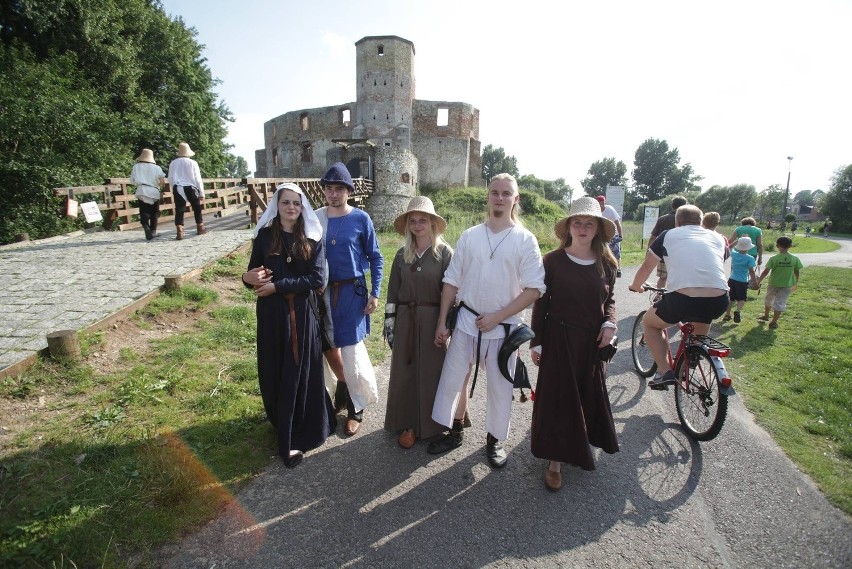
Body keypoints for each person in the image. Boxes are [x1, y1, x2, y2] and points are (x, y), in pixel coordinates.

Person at [428, 173, 545, 469]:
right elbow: (451, 281)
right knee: (453, 379)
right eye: (495, 192)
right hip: (466, 322)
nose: (500, 198)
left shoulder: (525, 240)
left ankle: (495, 440)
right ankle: (453, 430)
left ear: (515, 199)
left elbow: (534, 289)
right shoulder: (470, 236)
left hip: (503, 329)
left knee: (499, 387)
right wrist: (443, 322)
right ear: (488, 196)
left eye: (507, 193)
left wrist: (497, 317)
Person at [242, 183, 336, 467]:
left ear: (302, 206)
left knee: (299, 371)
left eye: (296, 203)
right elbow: (250, 274)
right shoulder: (264, 237)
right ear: (277, 205)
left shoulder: (311, 236)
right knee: (275, 370)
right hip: (271, 316)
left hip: (300, 315)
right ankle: (282, 423)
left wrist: (277, 286)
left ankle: (296, 436)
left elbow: (317, 279)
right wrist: (249, 279)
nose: (291, 208)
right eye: (286, 203)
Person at [529, 196, 619, 492]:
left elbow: (610, 300)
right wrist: (537, 341)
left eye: (588, 223)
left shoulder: (606, 263)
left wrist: (610, 322)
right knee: (559, 400)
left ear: (598, 229)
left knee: (585, 395)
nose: (582, 228)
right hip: (558, 339)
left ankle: (580, 442)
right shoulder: (552, 261)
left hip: (591, 342)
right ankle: (555, 463)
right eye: (577, 223)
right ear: (569, 227)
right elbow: (541, 304)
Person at [315, 162, 383, 437]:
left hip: (351, 293)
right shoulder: (315, 217)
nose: (333, 194)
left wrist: (376, 292)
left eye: (339, 189)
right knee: (326, 348)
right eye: (329, 188)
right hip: (320, 293)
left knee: (352, 351)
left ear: (348, 191)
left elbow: (376, 256)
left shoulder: (360, 219)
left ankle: (357, 406)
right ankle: (331, 398)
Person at [629, 205, 729, 389]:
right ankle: (690, 361)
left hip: (683, 298)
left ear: (677, 221)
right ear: (700, 221)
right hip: (719, 298)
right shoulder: (719, 238)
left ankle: (664, 372)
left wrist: (636, 286)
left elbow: (646, 266)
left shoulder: (668, 235)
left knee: (650, 324)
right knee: (702, 322)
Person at [383, 197, 453, 449]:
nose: (417, 224)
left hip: (434, 320)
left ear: (433, 223)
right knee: (406, 373)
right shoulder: (402, 255)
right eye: (412, 220)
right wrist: (390, 325)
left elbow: (453, 292)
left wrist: (446, 325)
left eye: (423, 219)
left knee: (434, 372)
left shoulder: (445, 254)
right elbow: (392, 292)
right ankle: (408, 424)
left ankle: (433, 424)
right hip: (406, 321)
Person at [756, 236, 803, 330]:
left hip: (773, 283)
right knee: (780, 302)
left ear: (777, 246)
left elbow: (766, 271)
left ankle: (766, 315)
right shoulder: (795, 258)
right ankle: (773, 322)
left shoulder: (774, 258)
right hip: (787, 284)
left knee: (769, 299)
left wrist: (758, 281)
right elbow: (797, 272)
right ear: (790, 246)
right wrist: (795, 283)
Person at [167, 142, 207, 240]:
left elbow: (170, 178)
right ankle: (200, 227)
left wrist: (174, 188)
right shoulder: (193, 163)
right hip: (191, 187)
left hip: (178, 187)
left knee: (180, 209)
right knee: (196, 207)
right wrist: (201, 193)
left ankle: (180, 230)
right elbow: (198, 178)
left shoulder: (173, 163)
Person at [647, 195, 688, 288]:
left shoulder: (663, 219)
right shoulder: (688, 221)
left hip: (663, 253)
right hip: (681, 253)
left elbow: (653, 237)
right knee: (678, 278)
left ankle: (658, 296)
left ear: (672, 206)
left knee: (663, 278)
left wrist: (649, 251)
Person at [130, 148, 165, 241]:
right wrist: (156, 183)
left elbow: (132, 181)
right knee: (154, 212)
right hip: (154, 191)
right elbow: (162, 182)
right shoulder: (157, 168)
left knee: (144, 211)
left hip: (142, 190)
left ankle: (146, 227)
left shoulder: (136, 167)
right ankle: (153, 231)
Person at [722, 236, 758, 323]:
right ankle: (737, 311)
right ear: (749, 247)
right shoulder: (750, 258)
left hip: (732, 279)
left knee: (731, 298)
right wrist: (755, 282)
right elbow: (751, 271)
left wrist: (737, 241)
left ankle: (727, 315)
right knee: (742, 299)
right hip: (742, 281)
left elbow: (729, 247)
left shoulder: (734, 254)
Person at [595, 195, 624, 278]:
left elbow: (617, 223)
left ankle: (618, 269)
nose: (601, 205)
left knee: (616, 253)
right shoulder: (595, 211)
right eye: (599, 203)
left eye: (602, 203)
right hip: (602, 234)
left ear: (605, 202)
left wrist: (620, 235)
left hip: (613, 234)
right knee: (601, 252)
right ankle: (602, 268)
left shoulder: (610, 209)